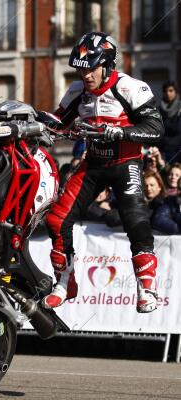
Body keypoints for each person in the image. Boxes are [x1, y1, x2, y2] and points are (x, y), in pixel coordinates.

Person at [42, 32, 164, 313]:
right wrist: (34, 119)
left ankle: (147, 287)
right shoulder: (76, 91)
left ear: (107, 65)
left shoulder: (131, 87)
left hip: (126, 162)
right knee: (57, 219)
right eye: (80, 69)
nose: (85, 75)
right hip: (94, 163)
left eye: (91, 68)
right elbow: (58, 125)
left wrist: (120, 131)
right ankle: (64, 282)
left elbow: (156, 130)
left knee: (135, 221)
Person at [158, 81, 181, 163]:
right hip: (163, 151)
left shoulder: (180, 109)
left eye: (171, 90)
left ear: (175, 92)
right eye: (166, 91)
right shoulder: (159, 110)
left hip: (177, 152)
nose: (168, 93)